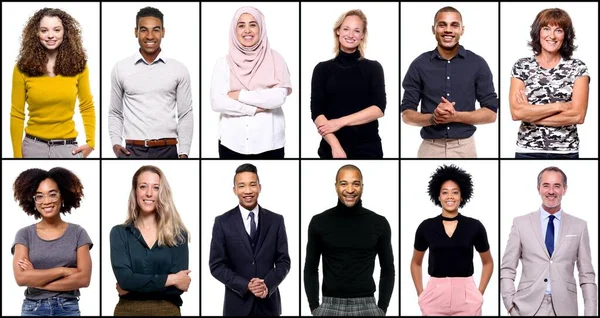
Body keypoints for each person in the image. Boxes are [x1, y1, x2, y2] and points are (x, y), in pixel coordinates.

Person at [401, 6, 497, 158]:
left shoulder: (477, 64)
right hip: (430, 148)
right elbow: (407, 114)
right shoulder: (419, 65)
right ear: (434, 29)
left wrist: (456, 116)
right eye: (442, 24)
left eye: (454, 25)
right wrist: (433, 118)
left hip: (465, 147)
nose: (448, 30)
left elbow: (491, 114)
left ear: (462, 30)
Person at [500, 166, 597, 316]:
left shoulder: (579, 226)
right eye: (546, 185)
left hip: (566, 308)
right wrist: (511, 306)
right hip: (527, 308)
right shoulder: (521, 224)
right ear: (538, 188)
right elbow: (507, 269)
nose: (551, 191)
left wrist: (590, 313)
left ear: (564, 189)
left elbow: (587, 275)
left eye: (557, 186)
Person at [304, 165, 394, 316]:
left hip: (367, 306)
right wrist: (315, 308)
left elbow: (388, 269)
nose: (350, 190)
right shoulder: (319, 222)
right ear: (336, 186)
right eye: (344, 183)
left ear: (362, 187)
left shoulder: (379, 223)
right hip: (329, 306)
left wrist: (382, 309)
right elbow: (311, 268)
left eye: (356, 183)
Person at [108, 7, 193, 159]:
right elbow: (115, 112)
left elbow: (185, 113)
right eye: (144, 30)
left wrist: (184, 152)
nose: (150, 36)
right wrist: (115, 143)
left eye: (155, 30)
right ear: (136, 32)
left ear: (163, 32)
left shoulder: (178, 69)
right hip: (132, 150)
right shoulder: (121, 68)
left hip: (168, 149)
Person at [10, 8, 96, 158]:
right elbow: (17, 114)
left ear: (65, 32)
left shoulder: (79, 66)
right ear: (36, 33)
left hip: (67, 147)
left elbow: (87, 105)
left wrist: (91, 142)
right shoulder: (22, 68)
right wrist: (17, 156)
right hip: (32, 147)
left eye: (56, 30)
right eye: (44, 30)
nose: (50, 35)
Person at [210, 6, 292, 159]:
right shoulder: (223, 63)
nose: (247, 30)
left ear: (261, 28)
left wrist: (239, 95)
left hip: (270, 143)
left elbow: (278, 97)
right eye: (241, 25)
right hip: (232, 143)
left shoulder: (276, 59)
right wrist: (255, 109)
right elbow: (218, 103)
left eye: (253, 24)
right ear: (234, 31)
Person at [410, 165, 493, 316]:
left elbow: (488, 262)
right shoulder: (426, 227)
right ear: (438, 196)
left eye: (455, 192)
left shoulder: (475, 226)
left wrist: (478, 294)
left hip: (467, 296)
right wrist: (421, 295)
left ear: (462, 196)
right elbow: (416, 262)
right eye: (445, 192)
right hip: (434, 296)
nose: (450, 196)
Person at [209, 163, 291, 316]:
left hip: (269, 306)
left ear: (259, 187)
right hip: (236, 306)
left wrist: (266, 284)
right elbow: (216, 265)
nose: (247, 191)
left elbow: (284, 261)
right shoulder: (222, 222)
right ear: (235, 190)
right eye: (241, 186)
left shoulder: (276, 220)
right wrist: (246, 285)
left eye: (252, 185)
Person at [110, 165, 190, 316]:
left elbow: (179, 287)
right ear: (135, 191)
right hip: (127, 312)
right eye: (143, 186)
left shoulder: (178, 235)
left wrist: (133, 287)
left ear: (162, 192)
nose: (148, 193)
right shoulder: (119, 233)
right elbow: (125, 280)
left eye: (156, 188)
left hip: (168, 312)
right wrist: (171, 278)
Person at [509, 8, 589, 159]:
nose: (552, 36)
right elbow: (516, 113)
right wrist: (560, 106)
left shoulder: (578, 68)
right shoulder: (522, 66)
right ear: (538, 32)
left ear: (565, 35)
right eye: (546, 29)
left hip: (566, 151)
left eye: (558, 30)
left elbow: (578, 116)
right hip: (528, 150)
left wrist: (530, 113)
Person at [12, 167, 92, 316]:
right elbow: (21, 278)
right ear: (33, 201)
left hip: (68, 308)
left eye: (52, 194)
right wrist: (63, 271)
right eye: (39, 196)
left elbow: (84, 279)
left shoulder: (78, 233)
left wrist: (36, 278)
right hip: (33, 309)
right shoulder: (24, 235)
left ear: (62, 197)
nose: (46, 201)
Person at [310, 9, 387, 159]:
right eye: (346, 29)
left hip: (368, 148)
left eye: (356, 30)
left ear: (363, 35)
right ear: (338, 31)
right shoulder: (322, 69)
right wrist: (336, 146)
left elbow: (379, 108)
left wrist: (339, 122)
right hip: (331, 147)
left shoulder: (373, 68)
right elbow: (317, 112)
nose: (351, 35)